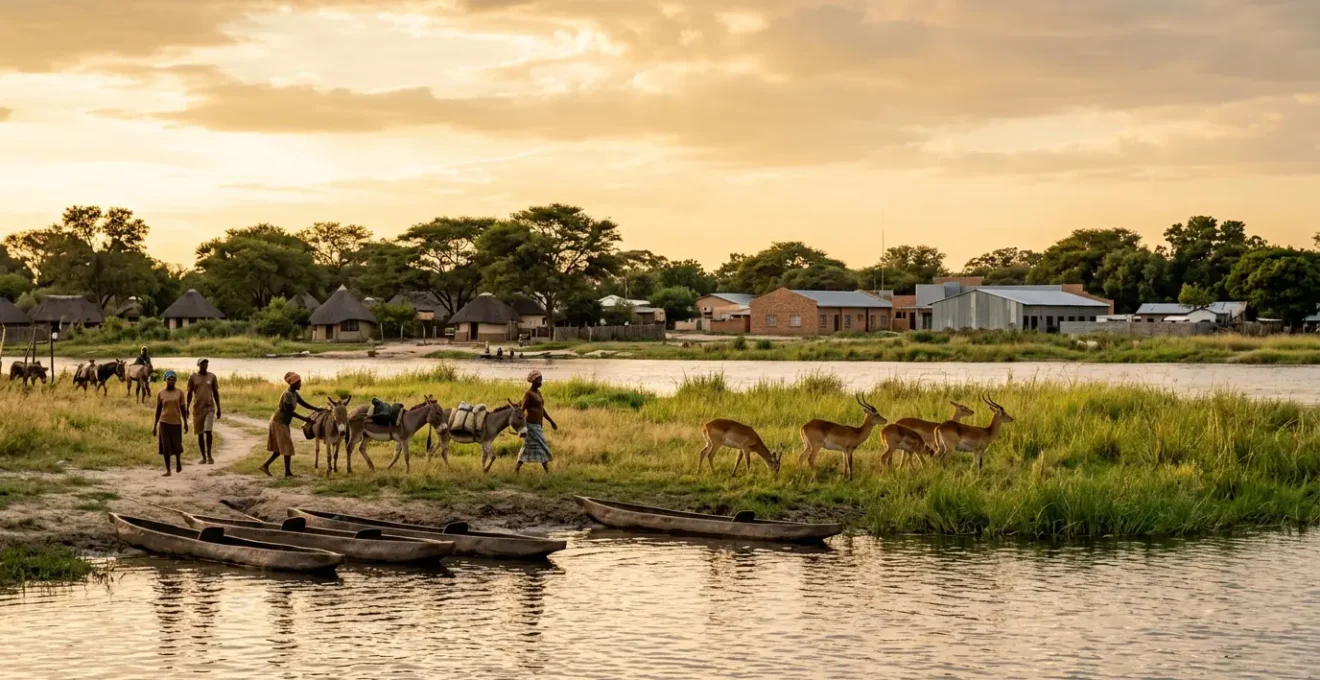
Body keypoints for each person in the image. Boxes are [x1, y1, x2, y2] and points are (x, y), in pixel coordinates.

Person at [260, 372, 320, 478]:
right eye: (299, 382)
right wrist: (306, 419)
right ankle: (287, 473)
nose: (300, 384)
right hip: (279, 422)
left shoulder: (293, 393)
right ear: (293, 384)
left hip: (281, 422)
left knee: (280, 449)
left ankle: (265, 466)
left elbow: (304, 403)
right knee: (286, 447)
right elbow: (289, 412)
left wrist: (317, 409)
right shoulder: (288, 394)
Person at [515, 370, 557, 475]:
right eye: (539, 380)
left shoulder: (538, 393)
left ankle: (517, 468)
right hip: (530, 425)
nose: (541, 382)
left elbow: (541, 410)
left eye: (541, 379)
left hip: (538, 425)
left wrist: (551, 421)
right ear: (533, 381)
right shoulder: (528, 394)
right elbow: (522, 411)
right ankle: (547, 471)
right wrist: (521, 427)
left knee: (529, 446)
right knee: (542, 444)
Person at [153, 371, 189, 477]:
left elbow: (183, 409)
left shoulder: (179, 393)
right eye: (169, 379)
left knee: (177, 446)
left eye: (173, 379)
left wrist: (186, 423)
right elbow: (158, 410)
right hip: (164, 423)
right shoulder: (161, 393)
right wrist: (155, 426)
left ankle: (178, 461)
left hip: (176, 423)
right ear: (165, 380)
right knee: (166, 447)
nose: (171, 381)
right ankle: (168, 470)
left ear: (175, 381)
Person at [186, 358, 222, 465]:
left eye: (206, 363)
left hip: (209, 408)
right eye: (202, 363)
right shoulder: (192, 378)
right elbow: (189, 393)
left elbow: (215, 393)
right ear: (198, 365)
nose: (205, 365)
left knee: (208, 431)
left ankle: (210, 455)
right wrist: (187, 408)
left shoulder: (212, 377)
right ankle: (203, 457)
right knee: (200, 434)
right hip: (197, 409)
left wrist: (219, 408)